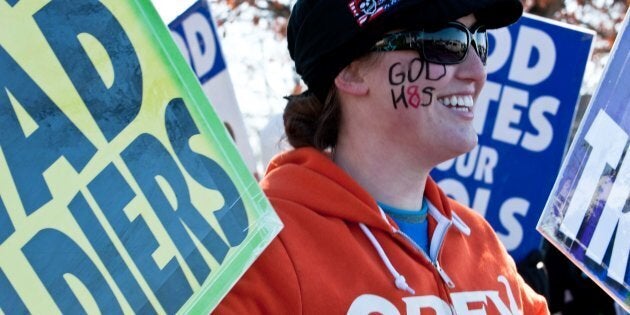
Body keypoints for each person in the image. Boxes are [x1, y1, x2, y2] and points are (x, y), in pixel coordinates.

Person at [215, 0, 550, 313]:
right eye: (445, 42)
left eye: (479, 42)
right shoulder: (262, 248)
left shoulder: (479, 239)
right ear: (351, 71)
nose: (477, 72)